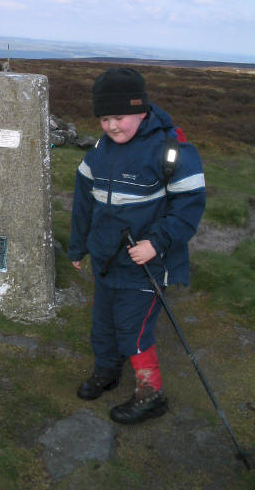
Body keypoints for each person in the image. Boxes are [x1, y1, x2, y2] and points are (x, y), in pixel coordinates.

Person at [67, 67, 205, 424]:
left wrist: (155, 244)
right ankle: (107, 371)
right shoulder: (98, 151)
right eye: (105, 118)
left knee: (133, 328)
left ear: (142, 111)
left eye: (120, 117)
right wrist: (77, 247)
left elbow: (188, 206)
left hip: (146, 265)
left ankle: (150, 393)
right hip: (105, 260)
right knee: (103, 324)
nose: (113, 126)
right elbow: (84, 202)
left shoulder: (171, 151)